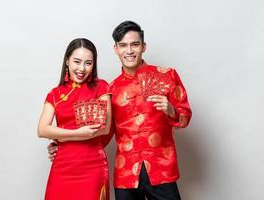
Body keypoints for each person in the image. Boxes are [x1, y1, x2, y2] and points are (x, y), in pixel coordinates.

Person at [48, 21, 192, 200]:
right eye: (123, 45)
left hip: (160, 169)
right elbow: (101, 134)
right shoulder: (110, 90)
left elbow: (185, 117)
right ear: (116, 49)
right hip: (126, 175)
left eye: (135, 44)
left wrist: (171, 110)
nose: (129, 51)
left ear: (143, 47)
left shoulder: (167, 75)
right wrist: (64, 146)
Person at [38, 38, 112, 200]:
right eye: (77, 62)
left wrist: (60, 136)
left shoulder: (101, 87)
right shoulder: (55, 94)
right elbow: (42, 129)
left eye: (88, 63)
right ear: (67, 61)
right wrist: (79, 133)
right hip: (62, 166)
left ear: (94, 64)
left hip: (92, 166)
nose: (81, 68)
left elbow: (104, 128)